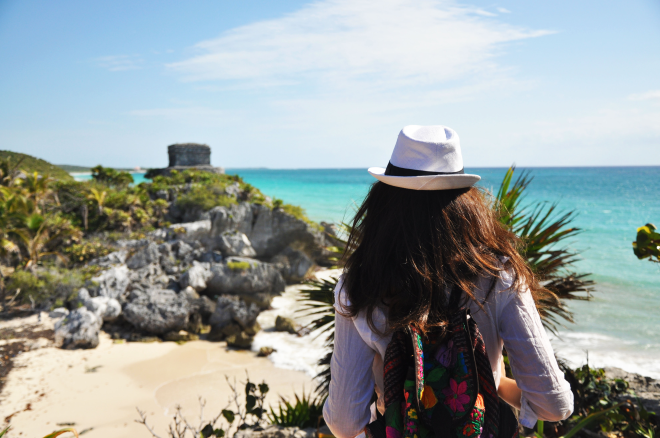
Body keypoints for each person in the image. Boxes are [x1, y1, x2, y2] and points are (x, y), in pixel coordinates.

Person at [323, 125, 574, 438]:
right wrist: (492, 381)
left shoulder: (360, 285)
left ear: (383, 202)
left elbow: (345, 422)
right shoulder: (499, 275)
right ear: (466, 202)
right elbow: (554, 404)